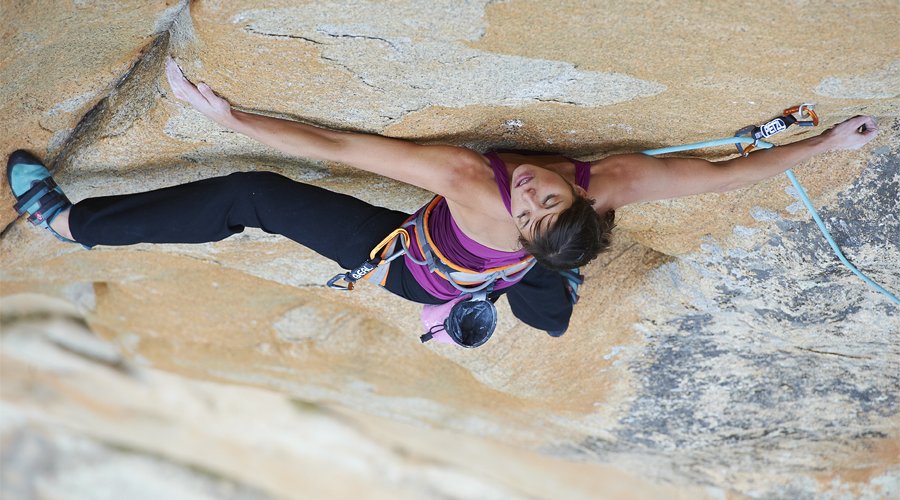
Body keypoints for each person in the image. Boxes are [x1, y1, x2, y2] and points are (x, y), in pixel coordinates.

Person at [8, 56, 879, 341]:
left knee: (252, 196)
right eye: (547, 199)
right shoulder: (610, 180)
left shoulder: (472, 183)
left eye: (532, 210)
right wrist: (827, 143)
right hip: (505, 256)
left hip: (422, 269)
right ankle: (545, 282)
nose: (532, 188)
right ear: (587, 199)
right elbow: (725, 174)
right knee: (549, 294)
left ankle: (71, 223)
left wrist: (236, 120)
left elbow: (343, 150)